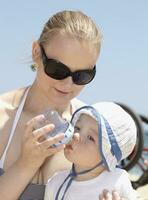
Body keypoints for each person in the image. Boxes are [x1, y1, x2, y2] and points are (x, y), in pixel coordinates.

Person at [0, 9, 133, 200]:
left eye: (82, 75)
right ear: (37, 53)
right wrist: (26, 163)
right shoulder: (3, 116)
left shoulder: (93, 130)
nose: (68, 84)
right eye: (58, 69)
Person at [44, 102, 137, 200]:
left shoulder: (117, 181)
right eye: (77, 128)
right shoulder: (56, 183)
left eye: (90, 137)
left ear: (107, 155)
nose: (75, 135)